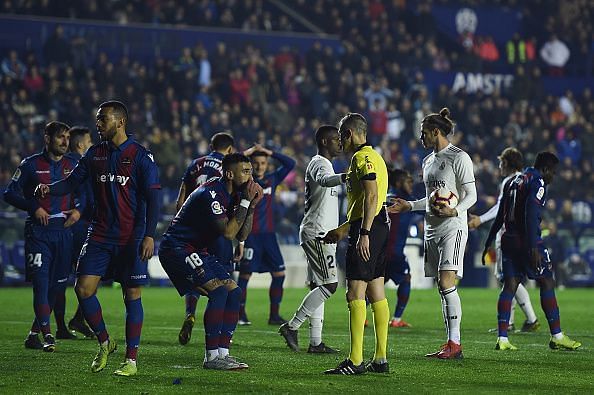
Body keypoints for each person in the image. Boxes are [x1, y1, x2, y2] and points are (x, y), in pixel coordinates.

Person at [35, 101, 161, 376]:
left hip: (131, 237)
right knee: (83, 290)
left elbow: (154, 199)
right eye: (97, 119)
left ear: (120, 122)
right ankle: (105, 341)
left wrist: (149, 235)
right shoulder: (95, 154)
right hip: (100, 234)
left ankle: (131, 361)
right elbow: (71, 183)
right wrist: (48, 188)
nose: (98, 124)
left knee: (132, 295)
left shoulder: (141, 156)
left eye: (103, 119)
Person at [159, 153, 263, 370]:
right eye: (245, 172)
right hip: (176, 248)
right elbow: (227, 233)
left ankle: (223, 354)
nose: (250, 176)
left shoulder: (235, 193)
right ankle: (212, 356)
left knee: (234, 292)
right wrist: (245, 201)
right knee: (219, 292)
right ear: (229, 174)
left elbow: (241, 235)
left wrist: (251, 206)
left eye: (250, 171)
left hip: (197, 249)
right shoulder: (212, 193)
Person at [388, 108, 477, 360]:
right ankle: (450, 343)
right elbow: (430, 200)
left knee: (447, 282)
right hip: (431, 228)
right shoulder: (428, 161)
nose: (421, 137)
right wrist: (409, 205)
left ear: (435, 131)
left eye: (423, 133)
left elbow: (472, 196)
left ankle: (455, 343)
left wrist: (454, 210)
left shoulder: (459, 158)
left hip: (453, 227)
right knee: (442, 285)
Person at [483, 152, 581, 351]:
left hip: (508, 239)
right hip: (526, 241)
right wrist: (534, 246)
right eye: (553, 172)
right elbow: (531, 213)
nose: (553, 176)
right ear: (545, 169)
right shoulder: (538, 182)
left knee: (509, 285)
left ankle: (502, 338)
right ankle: (557, 336)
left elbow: (501, 213)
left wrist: (489, 240)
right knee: (547, 281)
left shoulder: (514, 181)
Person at [4, 121, 82, 351]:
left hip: (64, 232)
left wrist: (79, 209)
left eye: (67, 137)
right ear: (47, 138)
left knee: (56, 288)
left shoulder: (74, 164)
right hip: (39, 232)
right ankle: (48, 336)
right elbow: (9, 193)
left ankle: (33, 334)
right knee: (41, 284)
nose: (65, 141)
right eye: (60, 137)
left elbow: (86, 194)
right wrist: (33, 207)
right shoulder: (30, 165)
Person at [323, 113, 390, 375]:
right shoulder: (376, 157)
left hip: (369, 229)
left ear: (349, 134)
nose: (340, 141)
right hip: (378, 225)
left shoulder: (361, 159)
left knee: (354, 292)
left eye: (341, 136)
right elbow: (369, 201)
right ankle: (381, 359)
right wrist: (344, 230)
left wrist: (363, 233)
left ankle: (355, 361)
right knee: (376, 291)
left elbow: (371, 196)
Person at [278, 125, 343, 354]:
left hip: (324, 232)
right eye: (336, 139)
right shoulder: (318, 163)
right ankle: (292, 326)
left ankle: (315, 343)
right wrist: (347, 176)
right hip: (318, 233)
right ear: (324, 142)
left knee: (319, 285)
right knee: (330, 285)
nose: (340, 143)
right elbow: (325, 181)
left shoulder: (327, 164)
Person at [468, 147, 539, 333]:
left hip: (507, 235)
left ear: (506, 163)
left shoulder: (509, 181)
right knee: (511, 278)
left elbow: (501, 209)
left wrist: (480, 220)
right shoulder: (526, 180)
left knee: (506, 278)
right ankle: (511, 322)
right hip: (520, 236)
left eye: (501, 162)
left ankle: (531, 318)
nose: (499, 166)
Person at [175, 132, 235, 346]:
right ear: (230, 149)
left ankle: (190, 313)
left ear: (211, 145)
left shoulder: (195, 164)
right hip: (217, 229)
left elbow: (180, 199)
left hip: (193, 231)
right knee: (222, 282)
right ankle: (217, 336)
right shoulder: (229, 167)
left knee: (196, 274)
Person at [237, 144, 296, 325]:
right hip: (250, 236)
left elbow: (290, 163)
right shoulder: (244, 181)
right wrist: (246, 153)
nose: (260, 166)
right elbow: (229, 164)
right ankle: (240, 314)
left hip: (269, 236)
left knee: (279, 274)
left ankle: (274, 315)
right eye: (256, 163)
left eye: (263, 163)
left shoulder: (272, 179)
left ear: (267, 164)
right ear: (251, 164)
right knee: (245, 276)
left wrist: (271, 152)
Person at [62, 126, 95, 338]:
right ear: (81, 144)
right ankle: (43, 327)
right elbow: (87, 196)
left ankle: (75, 321)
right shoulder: (80, 164)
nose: (91, 145)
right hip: (79, 225)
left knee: (61, 277)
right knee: (91, 275)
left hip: (68, 225)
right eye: (89, 141)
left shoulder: (61, 163)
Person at [385, 168, 416, 328]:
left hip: (381, 250)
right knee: (406, 279)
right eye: (408, 181)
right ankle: (396, 319)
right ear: (398, 183)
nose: (411, 184)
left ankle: (361, 317)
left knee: (377, 282)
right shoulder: (404, 201)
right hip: (394, 252)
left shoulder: (385, 197)